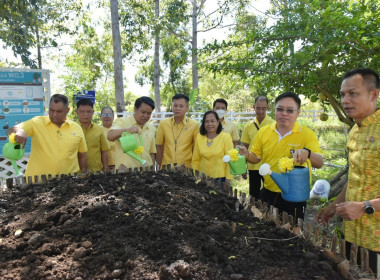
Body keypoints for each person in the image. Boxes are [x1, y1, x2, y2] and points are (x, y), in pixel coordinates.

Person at [315, 68, 379, 278]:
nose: (345, 100)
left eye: (353, 93)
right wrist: (334, 206)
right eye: (342, 95)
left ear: (374, 95)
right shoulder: (353, 132)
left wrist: (365, 207)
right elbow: (355, 178)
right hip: (352, 233)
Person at [238, 92, 323, 221]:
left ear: (298, 112)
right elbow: (256, 157)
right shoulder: (264, 132)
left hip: (294, 194)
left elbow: (320, 162)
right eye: (280, 109)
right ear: (274, 110)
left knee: (292, 233)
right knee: (266, 228)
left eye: (290, 110)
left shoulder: (307, 134)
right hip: (268, 190)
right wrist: (246, 154)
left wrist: (308, 153)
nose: (284, 113)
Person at [7, 94, 88, 178]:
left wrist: (84, 177)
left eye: (59, 111)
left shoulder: (76, 128)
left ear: (67, 110)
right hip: (37, 183)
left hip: (67, 183)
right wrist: (19, 131)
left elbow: (82, 156)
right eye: (51, 110)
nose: (54, 114)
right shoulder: (37, 122)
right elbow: (11, 130)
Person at [107, 96, 156, 169]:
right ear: (135, 109)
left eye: (149, 113)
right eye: (143, 112)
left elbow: (151, 152)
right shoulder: (122, 122)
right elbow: (109, 136)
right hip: (125, 172)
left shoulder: (151, 128)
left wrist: (152, 169)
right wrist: (127, 130)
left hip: (146, 172)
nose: (145, 116)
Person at [241, 96, 274, 199]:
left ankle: (267, 214)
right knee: (253, 194)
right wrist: (243, 168)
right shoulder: (249, 125)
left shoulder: (273, 124)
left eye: (263, 108)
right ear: (253, 107)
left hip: (268, 165)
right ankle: (254, 214)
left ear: (267, 108)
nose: (260, 111)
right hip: (253, 165)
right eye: (258, 108)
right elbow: (244, 148)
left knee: (269, 193)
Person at [156, 94, 199, 168]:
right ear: (172, 107)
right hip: (166, 168)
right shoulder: (163, 123)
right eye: (175, 106)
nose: (177, 108)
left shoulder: (194, 125)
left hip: (185, 168)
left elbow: (196, 149)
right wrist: (160, 167)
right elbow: (159, 147)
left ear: (187, 108)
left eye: (181, 106)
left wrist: (193, 168)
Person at [191, 111, 234, 182]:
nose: (209, 124)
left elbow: (230, 160)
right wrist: (195, 176)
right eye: (206, 121)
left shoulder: (226, 137)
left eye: (212, 121)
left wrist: (228, 179)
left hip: (221, 179)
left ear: (218, 122)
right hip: (203, 178)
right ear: (203, 123)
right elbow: (196, 160)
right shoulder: (199, 137)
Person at [76, 98, 110, 173]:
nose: (85, 114)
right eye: (82, 112)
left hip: (96, 172)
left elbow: (104, 150)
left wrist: (105, 167)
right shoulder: (72, 129)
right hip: (77, 172)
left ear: (93, 112)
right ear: (77, 112)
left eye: (88, 111)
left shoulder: (99, 129)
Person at [101, 107, 116, 171]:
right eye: (104, 115)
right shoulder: (98, 130)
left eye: (109, 115)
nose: (106, 117)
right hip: (102, 166)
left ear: (113, 117)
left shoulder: (118, 129)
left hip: (117, 165)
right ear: (100, 117)